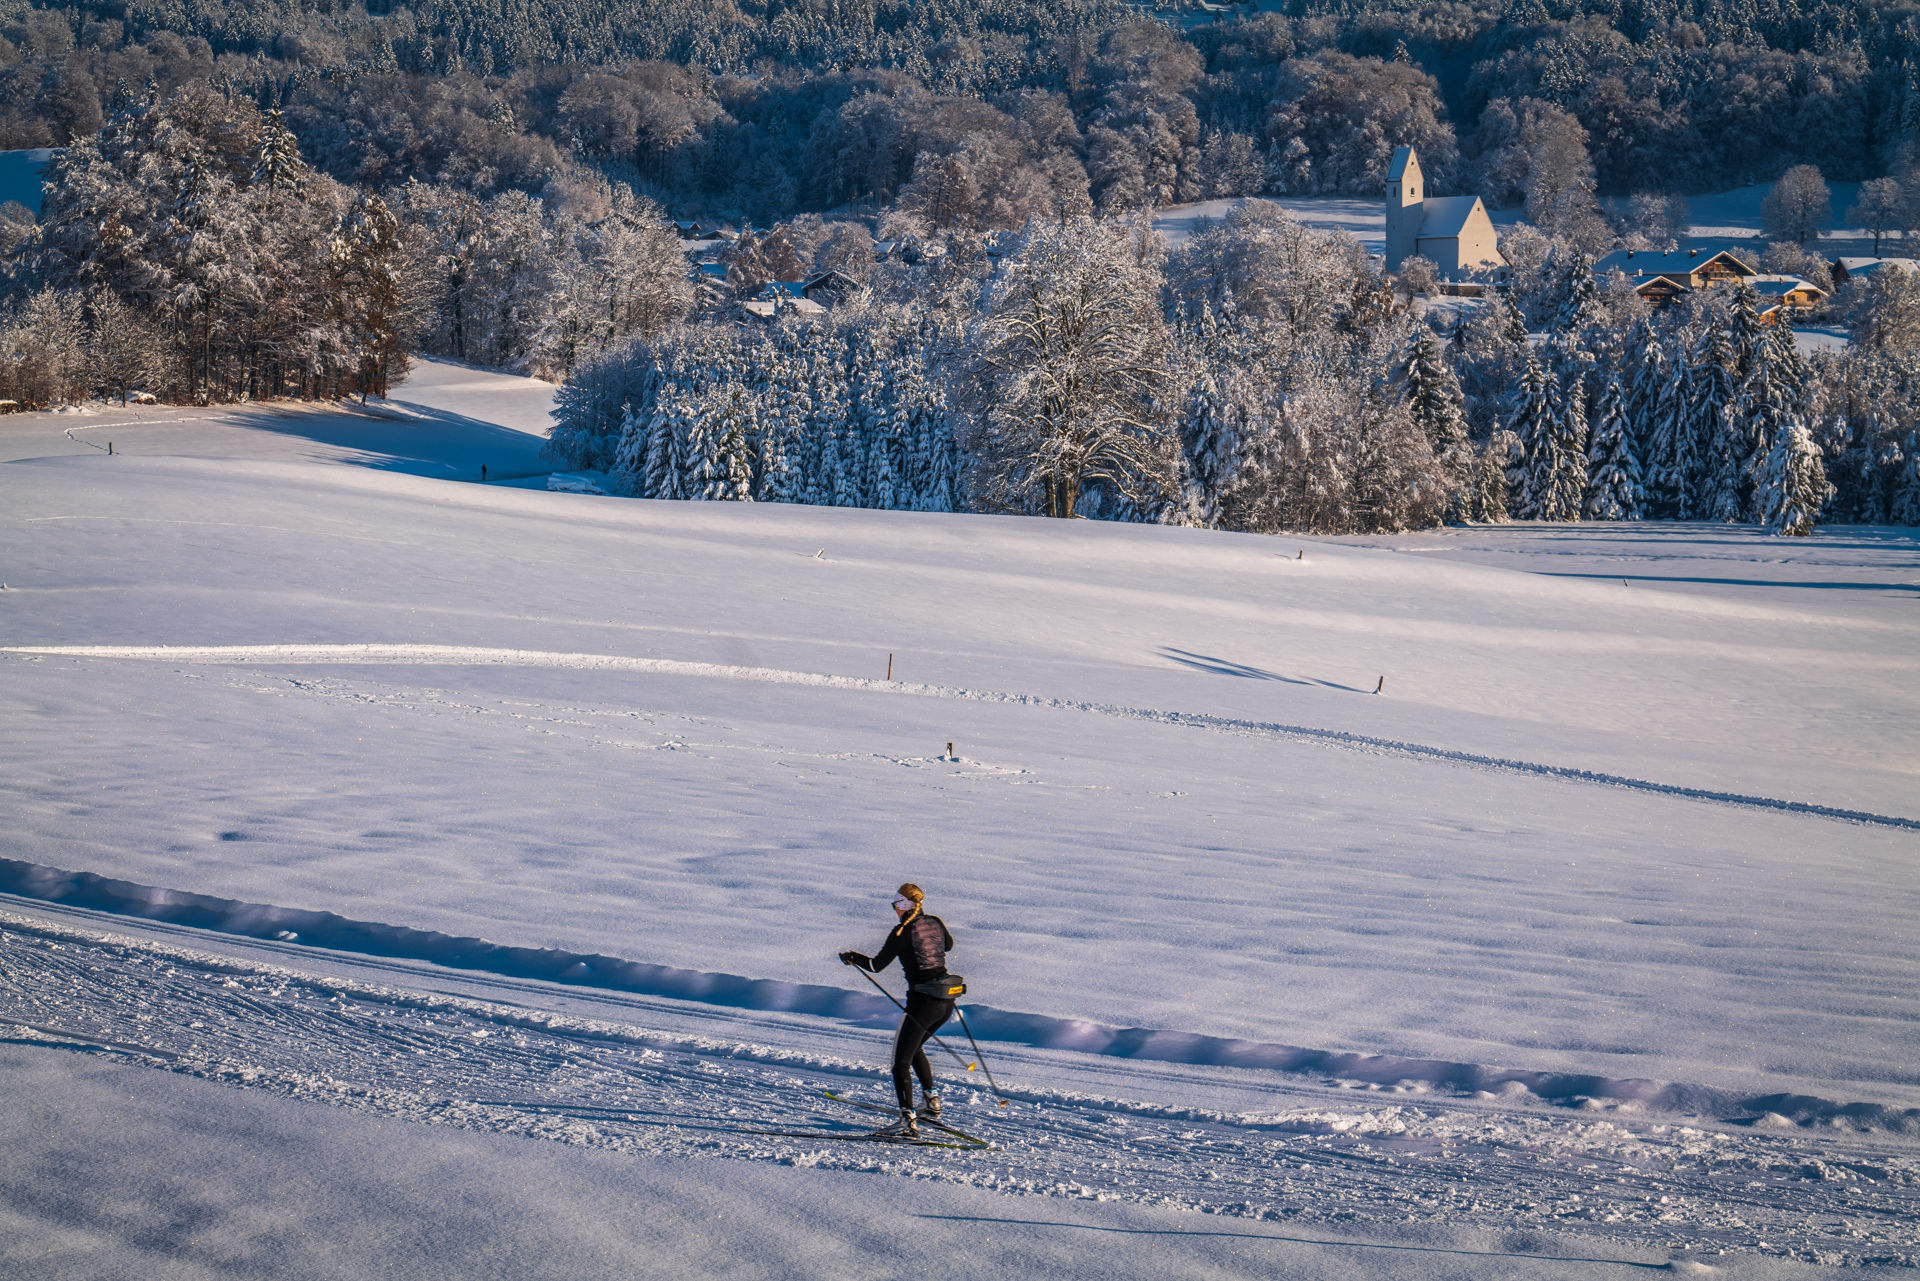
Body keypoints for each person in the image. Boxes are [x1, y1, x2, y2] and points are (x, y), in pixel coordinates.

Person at [839, 882, 956, 1137]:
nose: (894, 909)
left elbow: (875, 965)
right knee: (914, 1049)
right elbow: (947, 945)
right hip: (945, 1003)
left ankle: (907, 1121)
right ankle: (931, 1105)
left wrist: (852, 957)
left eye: (895, 905)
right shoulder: (934, 922)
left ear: (903, 905)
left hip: (922, 1004)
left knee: (899, 1063)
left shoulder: (902, 931)